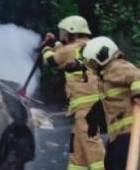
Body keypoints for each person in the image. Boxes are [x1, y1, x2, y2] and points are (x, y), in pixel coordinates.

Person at [41, 16, 105, 170]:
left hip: (86, 105)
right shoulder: (88, 46)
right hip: (92, 103)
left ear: (73, 33)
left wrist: (47, 47)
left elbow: (51, 61)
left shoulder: (69, 50)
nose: (62, 36)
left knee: (90, 142)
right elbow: (65, 54)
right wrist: (57, 45)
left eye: (64, 33)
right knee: (77, 145)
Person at [81, 36, 140, 170]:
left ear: (101, 56)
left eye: (92, 62)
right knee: (111, 162)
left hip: (130, 125)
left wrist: (139, 95)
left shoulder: (117, 67)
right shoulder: (106, 73)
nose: (91, 66)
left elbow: (139, 76)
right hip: (120, 129)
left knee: (121, 161)